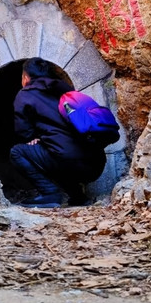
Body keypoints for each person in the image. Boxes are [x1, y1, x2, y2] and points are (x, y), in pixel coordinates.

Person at [9, 58, 106, 208]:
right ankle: (78, 197)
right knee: (56, 149)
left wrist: (32, 138)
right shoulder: (66, 90)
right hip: (96, 163)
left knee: (18, 152)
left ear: (26, 77)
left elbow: (22, 129)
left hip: (68, 161)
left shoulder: (25, 94)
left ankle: (49, 193)